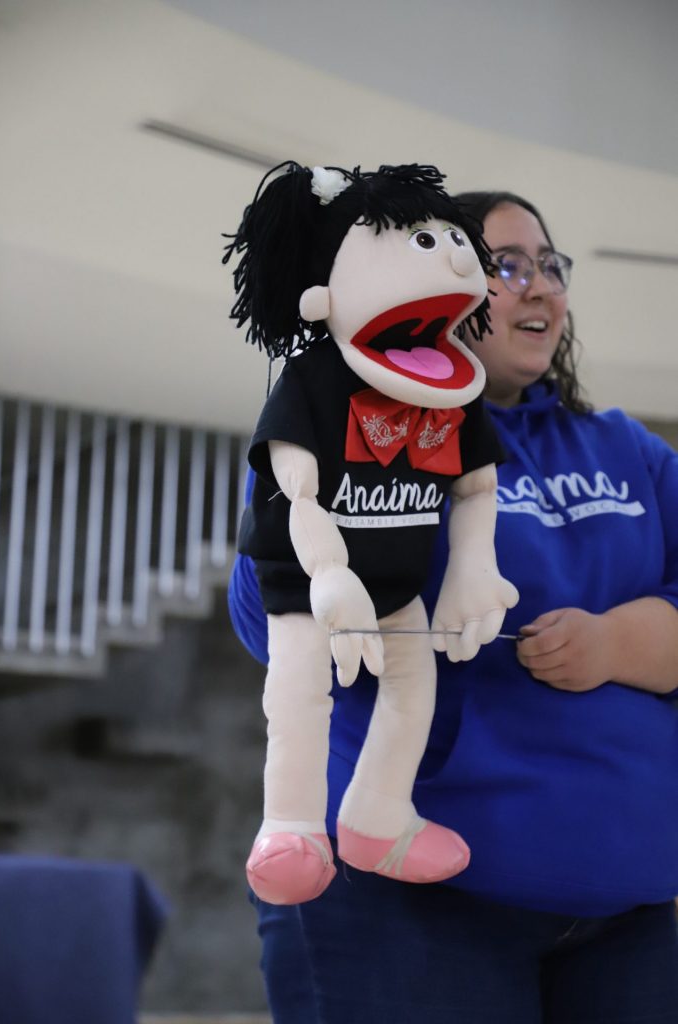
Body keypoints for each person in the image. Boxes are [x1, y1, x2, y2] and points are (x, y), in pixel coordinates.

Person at [228, 189, 678, 1024]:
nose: (536, 286)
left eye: (548, 265)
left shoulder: (629, 451)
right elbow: (271, 629)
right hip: (405, 908)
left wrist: (622, 643)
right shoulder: (356, 423)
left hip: (629, 914)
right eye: (505, 265)